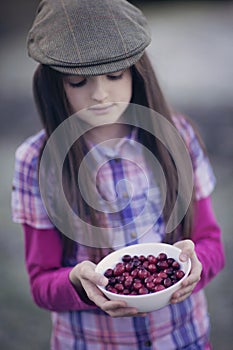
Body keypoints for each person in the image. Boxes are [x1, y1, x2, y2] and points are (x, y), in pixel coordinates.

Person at [11, 0, 225, 349]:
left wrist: (197, 265)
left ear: (138, 71)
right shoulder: (35, 162)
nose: (99, 95)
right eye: (77, 82)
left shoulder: (178, 137)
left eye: (115, 75)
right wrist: (78, 283)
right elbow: (40, 283)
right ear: (54, 84)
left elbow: (211, 243)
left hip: (184, 337)